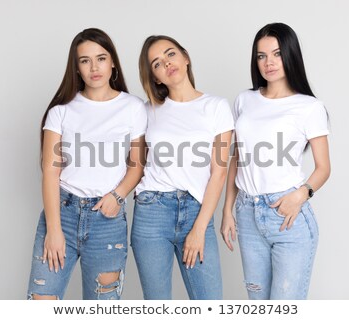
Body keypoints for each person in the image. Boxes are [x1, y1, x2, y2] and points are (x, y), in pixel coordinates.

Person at [27, 28, 147, 300]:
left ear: (113, 62)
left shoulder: (133, 107)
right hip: (63, 213)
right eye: (85, 60)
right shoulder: (61, 111)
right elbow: (50, 172)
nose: (94, 67)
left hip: (107, 218)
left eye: (101, 58)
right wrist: (54, 230)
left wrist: (118, 195)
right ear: (77, 68)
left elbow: (137, 165)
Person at [221, 23, 331, 300]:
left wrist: (301, 195)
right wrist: (227, 210)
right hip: (247, 212)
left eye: (276, 54)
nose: (268, 63)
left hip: (287, 215)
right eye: (261, 56)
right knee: (258, 304)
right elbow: (237, 158)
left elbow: (323, 168)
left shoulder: (309, 107)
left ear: (290, 55)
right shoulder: (245, 100)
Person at [132, 35, 234, 299]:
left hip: (196, 210)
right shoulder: (147, 110)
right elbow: (135, 161)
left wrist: (199, 228)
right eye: (157, 63)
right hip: (152, 211)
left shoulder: (216, 107)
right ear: (155, 77)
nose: (166, 63)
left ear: (185, 57)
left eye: (170, 54)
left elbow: (219, 172)